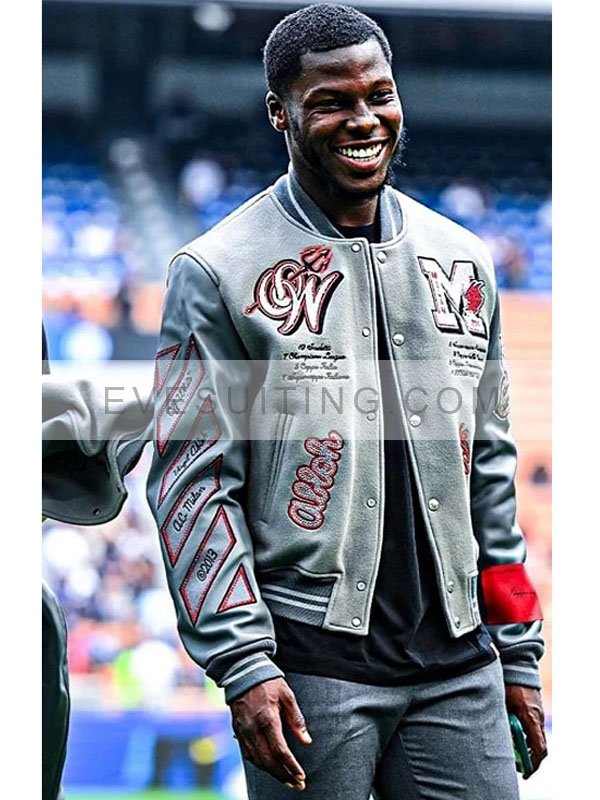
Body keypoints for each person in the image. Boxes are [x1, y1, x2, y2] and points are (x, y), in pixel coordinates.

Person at [147, 5, 547, 798]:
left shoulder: (464, 261)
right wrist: (244, 662)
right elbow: (192, 485)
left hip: (461, 665)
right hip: (309, 671)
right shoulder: (217, 272)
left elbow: (491, 472)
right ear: (280, 112)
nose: (363, 119)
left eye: (379, 95)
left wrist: (520, 652)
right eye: (331, 102)